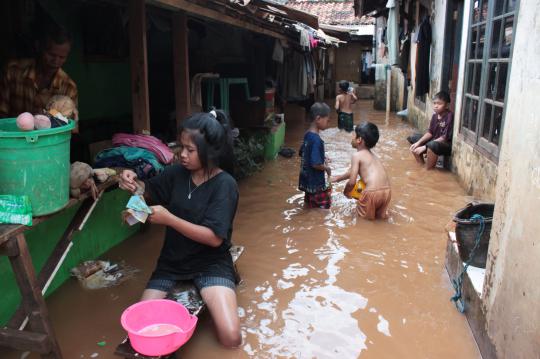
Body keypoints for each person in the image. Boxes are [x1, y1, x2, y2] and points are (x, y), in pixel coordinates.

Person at [118, 110, 242, 348]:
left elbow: (215, 239)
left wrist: (170, 219)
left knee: (231, 338)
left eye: (190, 150)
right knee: (142, 329)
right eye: (181, 147)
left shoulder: (225, 185)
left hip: (211, 263)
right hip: (171, 264)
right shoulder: (176, 174)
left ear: (210, 151)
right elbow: (147, 191)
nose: (182, 155)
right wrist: (131, 181)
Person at [0, 23, 78, 127]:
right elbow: (2, 114)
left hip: (48, 142)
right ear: (39, 47)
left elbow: (69, 126)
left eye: (62, 57)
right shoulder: (13, 72)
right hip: (12, 139)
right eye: (51, 55)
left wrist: (48, 114)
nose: (56, 61)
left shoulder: (69, 88)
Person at [331, 122, 391, 220]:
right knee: (381, 220)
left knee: (364, 222)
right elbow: (353, 171)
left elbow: (352, 181)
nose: (351, 138)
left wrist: (346, 192)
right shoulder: (374, 157)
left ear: (359, 140)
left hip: (371, 193)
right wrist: (339, 178)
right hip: (387, 192)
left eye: (353, 135)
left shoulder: (357, 156)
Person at [407, 91, 453, 169]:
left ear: (447, 105)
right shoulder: (435, 116)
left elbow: (444, 138)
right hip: (434, 140)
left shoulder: (449, 116)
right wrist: (418, 143)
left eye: (439, 104)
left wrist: (425, 146)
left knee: (432, 145)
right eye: (434, 103)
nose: (436, 106)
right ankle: (421, 165)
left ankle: (428, 170)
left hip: (444, 144)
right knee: (414, 138)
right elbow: (430, 133)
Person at [299, 102, 332, 209]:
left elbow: (302, 152)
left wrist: (323, 156)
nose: (328, 123)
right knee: (322, 211)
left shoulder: (307, 135)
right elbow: (315, 163)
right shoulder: (317, 140)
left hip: (306, 182)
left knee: (309, 207)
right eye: (327, 120)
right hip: (316, 184)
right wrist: (326, 168)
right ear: (318, 119)